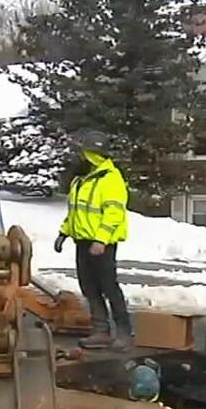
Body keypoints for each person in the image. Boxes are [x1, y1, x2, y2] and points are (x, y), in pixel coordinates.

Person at [54, 130, 132, 351]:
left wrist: (101, 240)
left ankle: (124, 332)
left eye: (84, 152)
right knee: (89, 287)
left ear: (93, 153)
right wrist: (64, 233)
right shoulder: (81, 180)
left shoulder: (110, 179)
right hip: (83, 242)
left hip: (101, 245)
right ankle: (101, 331)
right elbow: (76, 212)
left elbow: (114, 213)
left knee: (109, 287)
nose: (80, 156)